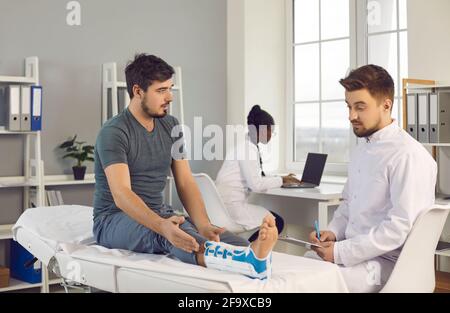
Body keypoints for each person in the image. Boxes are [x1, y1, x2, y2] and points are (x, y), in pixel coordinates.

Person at [92, 54, 277, 279]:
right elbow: (122, 194)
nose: (169, 97)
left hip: (160, 212)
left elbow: (185, 181)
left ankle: (247, 255)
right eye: (161, 91)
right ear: (138, 91)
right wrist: (162, 225)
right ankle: (243, 263)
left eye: (170, 88)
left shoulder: (172, 126)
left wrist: (203, 224)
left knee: (225, 239)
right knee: (168, 233)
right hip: (113, 219)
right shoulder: (114, 132)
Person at [306, 64, 437, 292]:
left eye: (360, 107)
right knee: (303, 264)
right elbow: (348, 204)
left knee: (314, 281)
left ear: (386, 105)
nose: (351, 116)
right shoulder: (361, 150)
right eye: (348, 107)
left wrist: (340, 252)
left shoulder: (409, 155)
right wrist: (334, 232)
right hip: (357, 255)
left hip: (389, 265)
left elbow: (397, 229)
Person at [216, 105, 300, 241]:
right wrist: (282, 180)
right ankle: (252, 249)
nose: (271, 135)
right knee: (276, 222)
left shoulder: (244, 146)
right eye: (270, 131)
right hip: (233, 209)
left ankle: (250, 249)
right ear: (262, 130)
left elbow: (255, 177)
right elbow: (256, 184)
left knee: (272, 221)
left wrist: (280, 178)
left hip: (222, 207)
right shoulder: (248, 149)